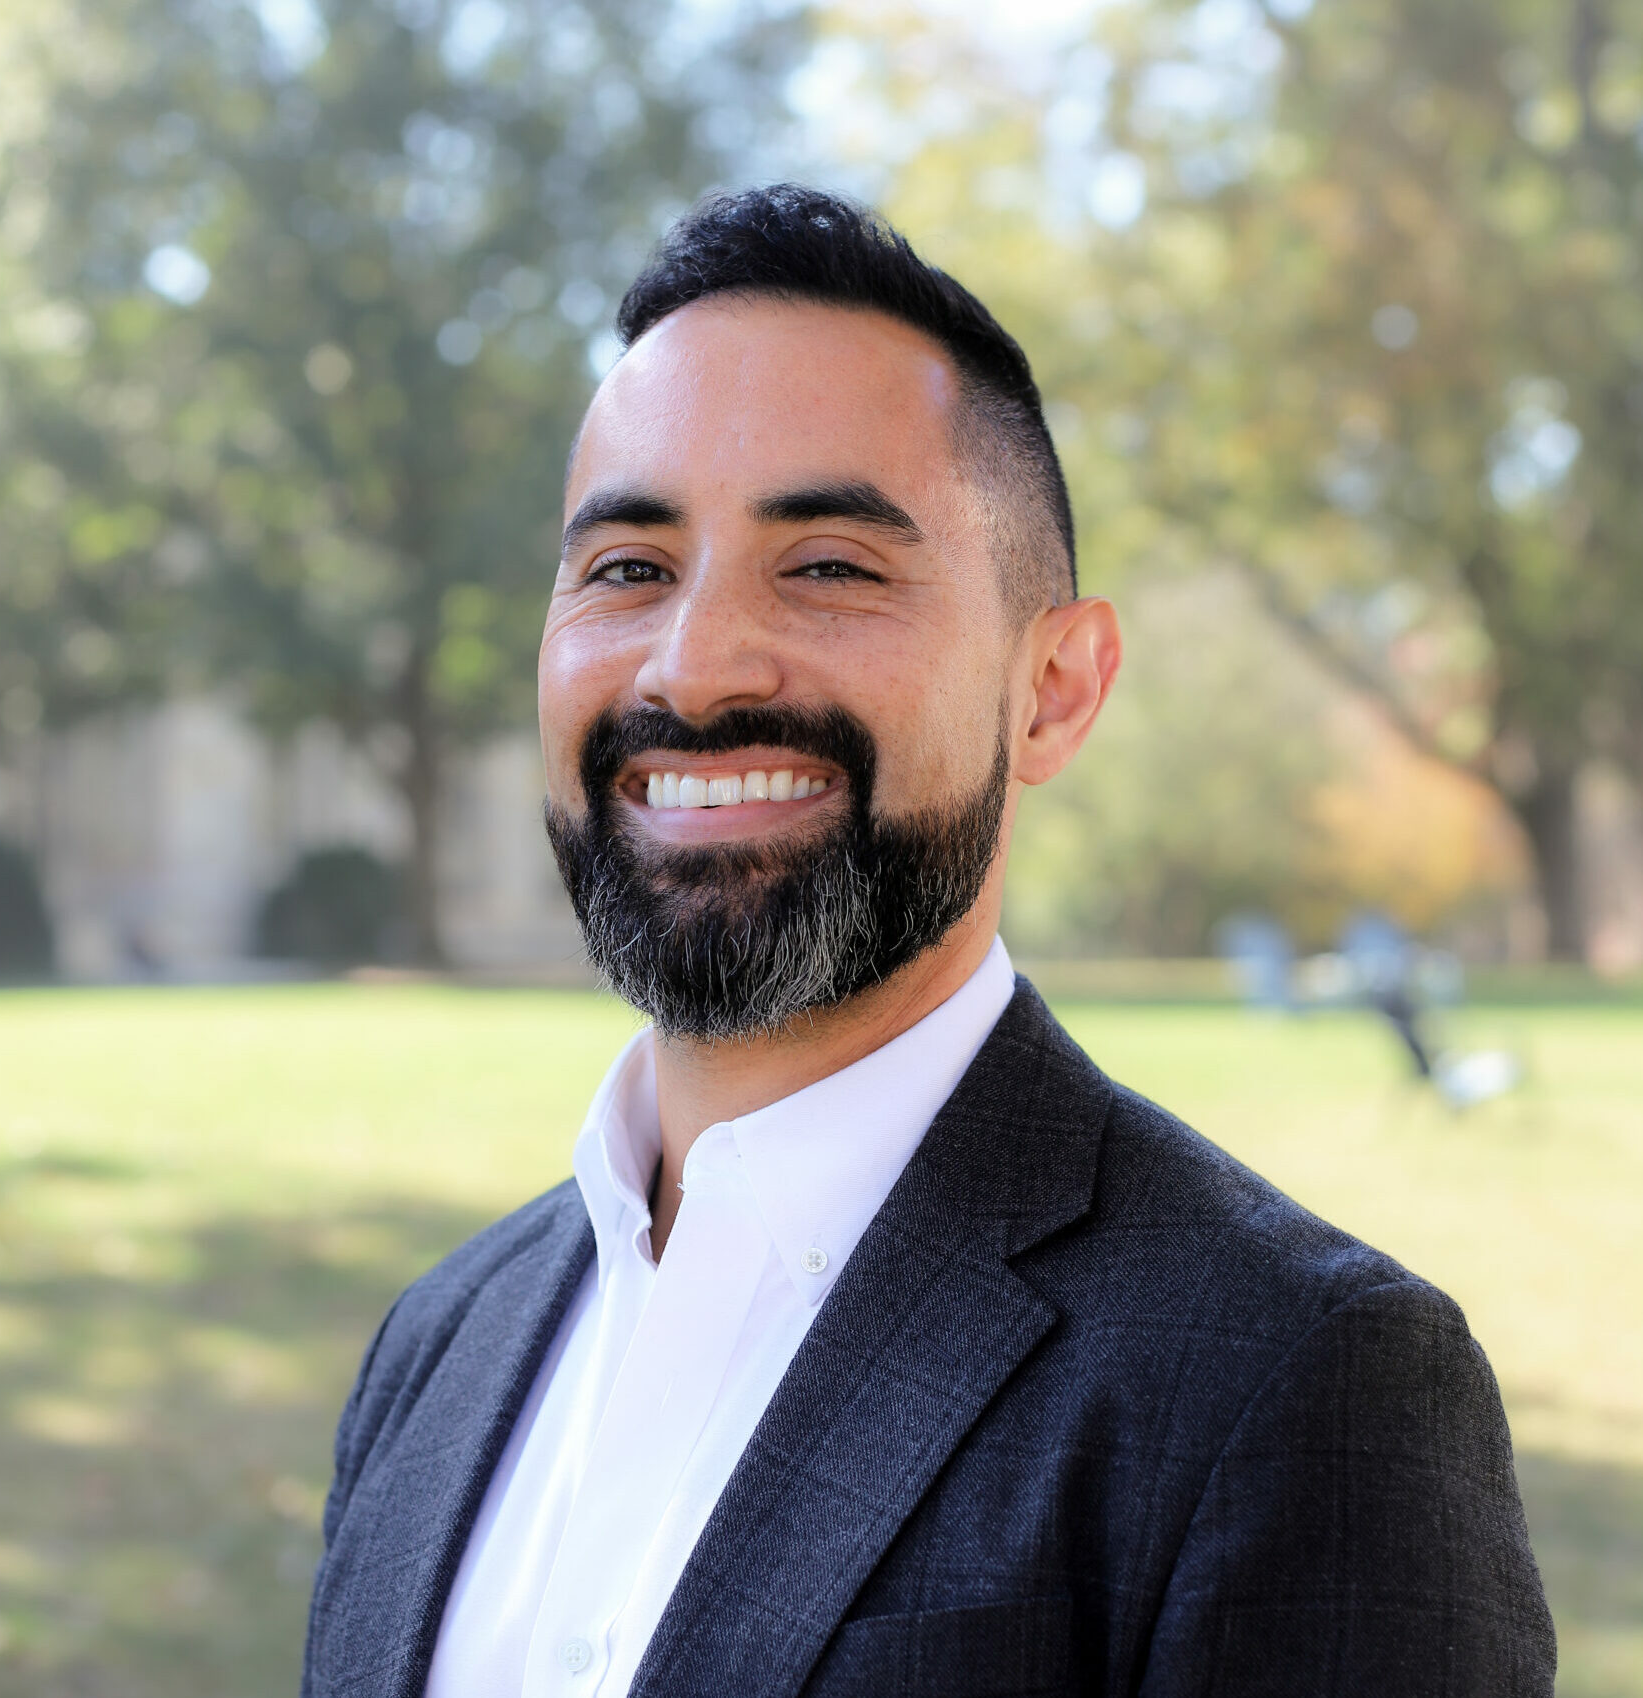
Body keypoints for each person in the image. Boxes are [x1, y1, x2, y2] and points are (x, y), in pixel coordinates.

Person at [302, 185, 1554, 1698]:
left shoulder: (1295, 1383)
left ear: (1055, 690)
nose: (693, 667)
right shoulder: (435, 1348)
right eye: (627, 568)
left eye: (828, 563)